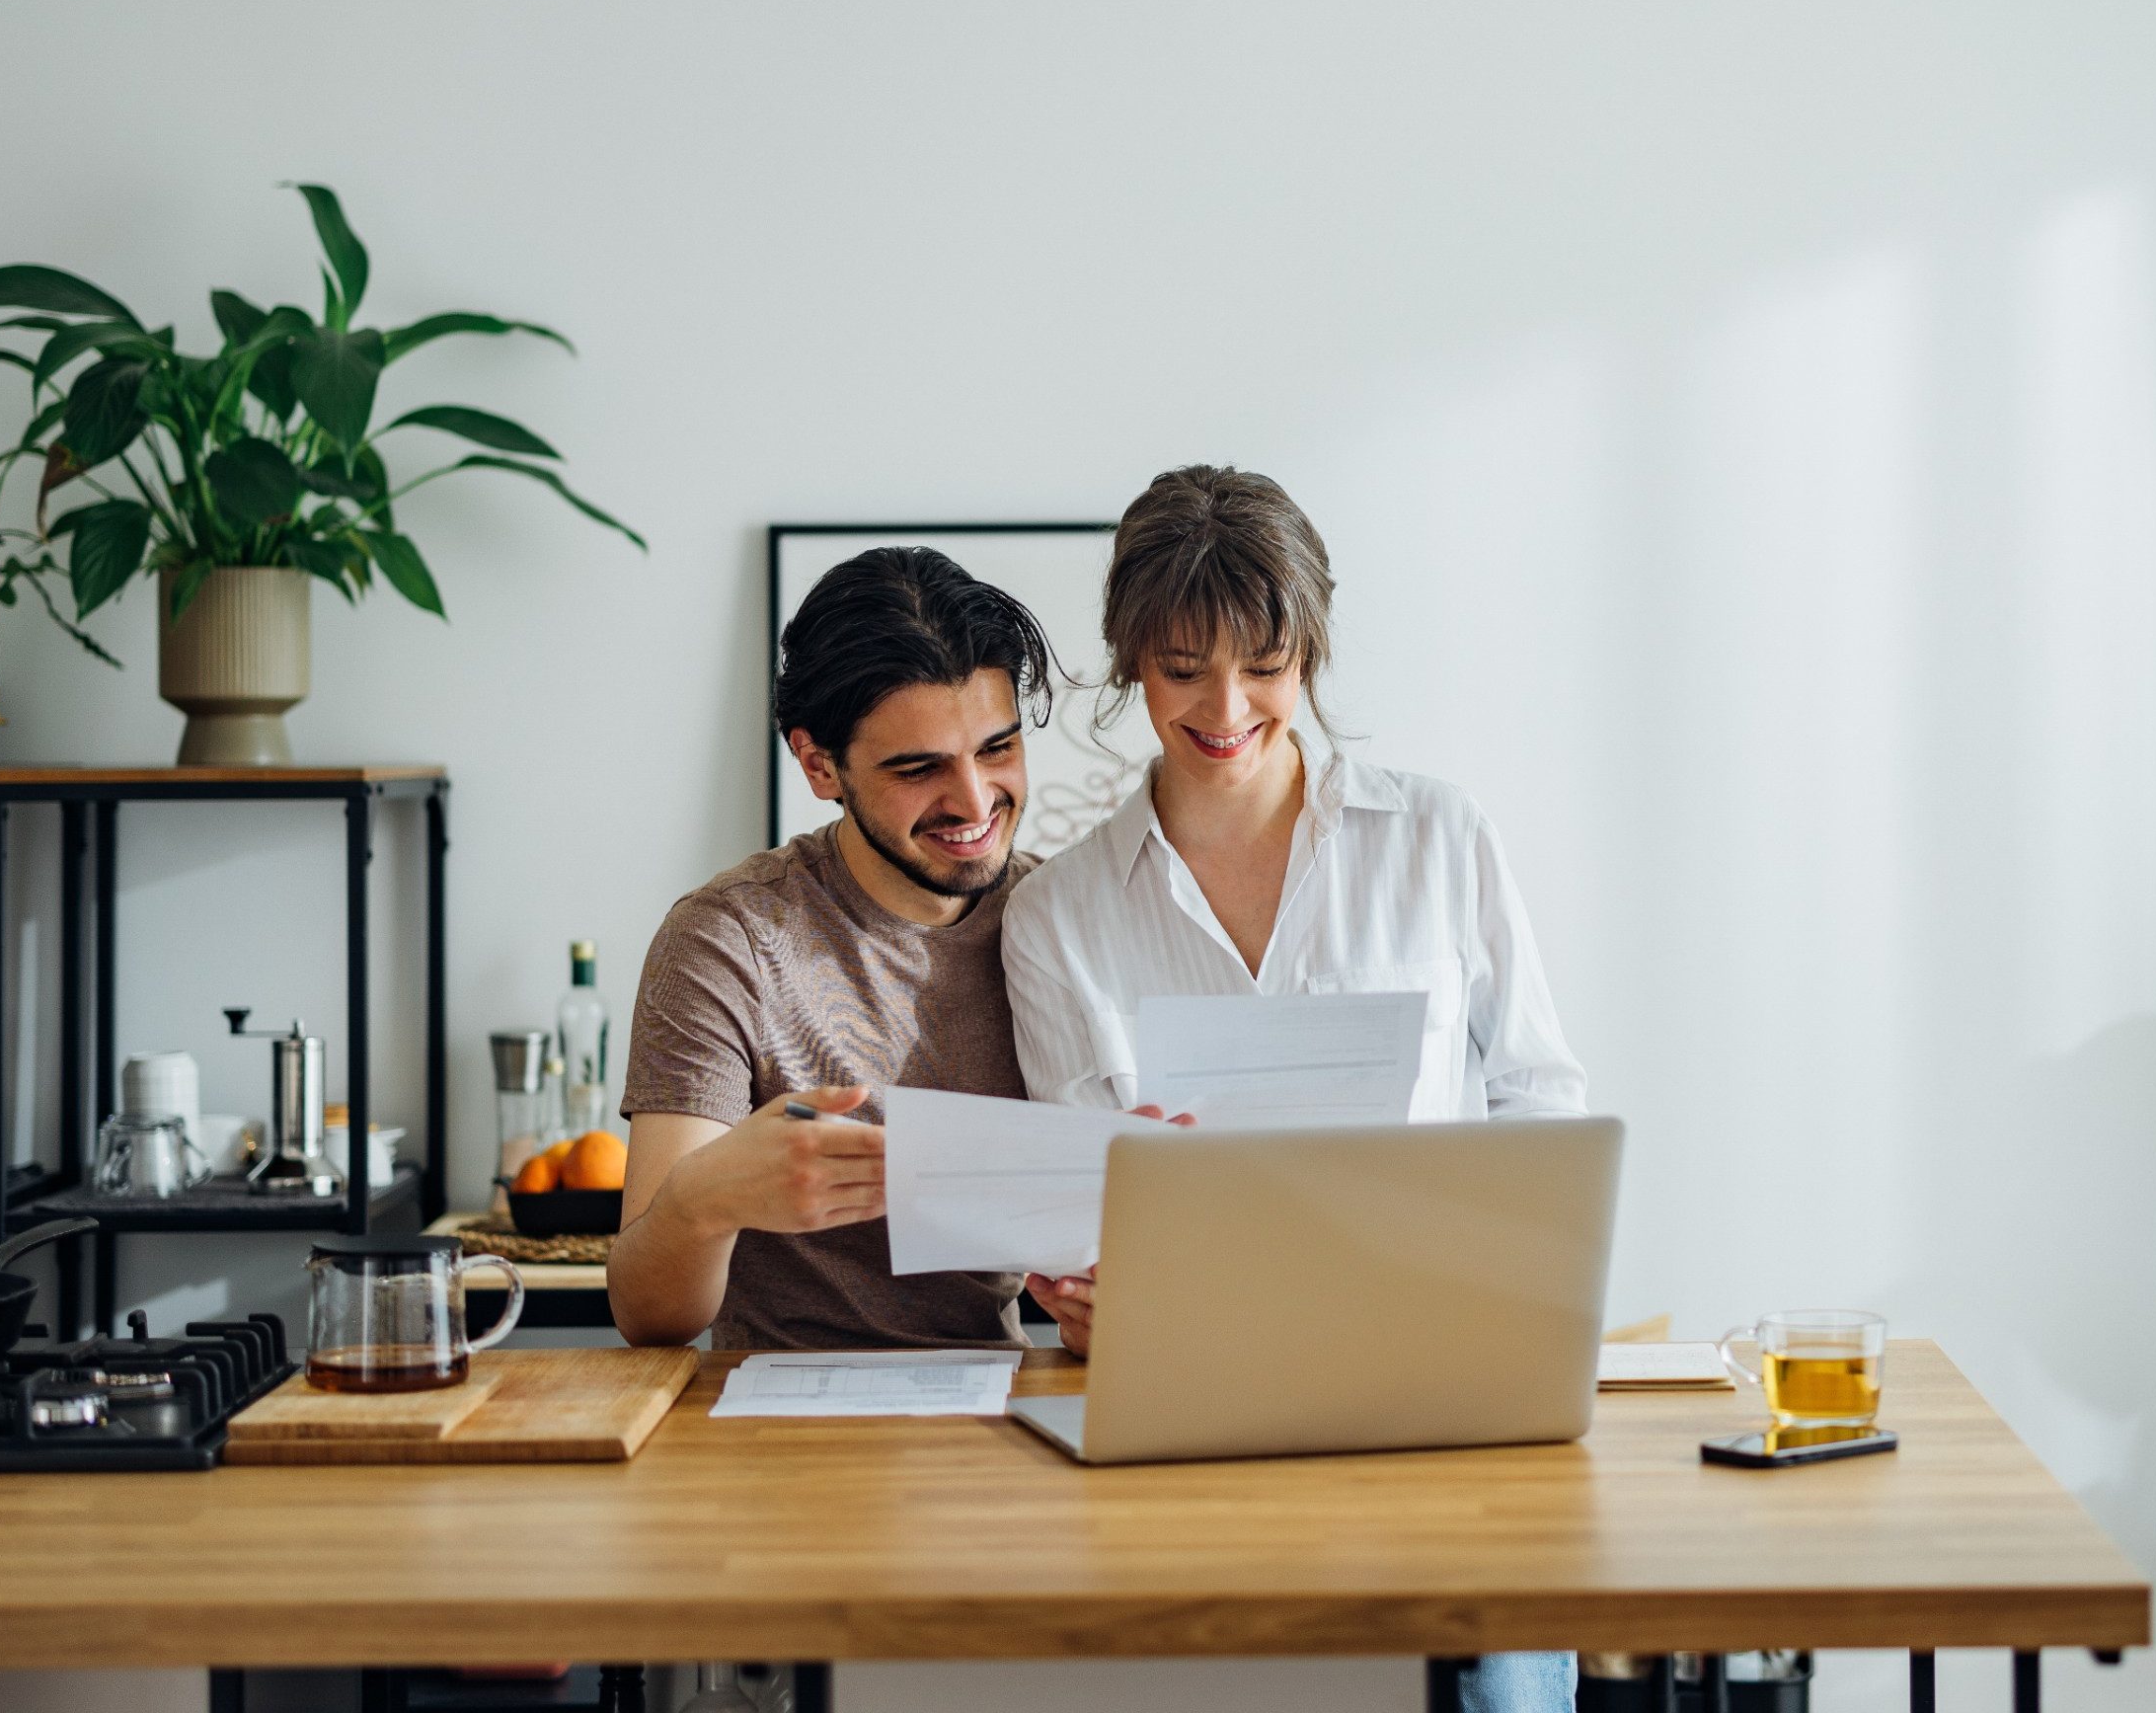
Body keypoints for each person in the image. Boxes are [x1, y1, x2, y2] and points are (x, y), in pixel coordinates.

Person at [1001, 465, 1591, 1713]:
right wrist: (1074, 1291)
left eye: (1265, 665)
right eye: (1180, 670)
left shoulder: (1438, 838)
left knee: (1489, 1692)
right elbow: (1076, 1198)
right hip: (1188, 1423)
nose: (1226, 709)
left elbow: (1542, 1103)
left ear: (1311, 652)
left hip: (1442, 1400)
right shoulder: (1057, 915)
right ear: (1128, 667)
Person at [607, 545, 1059, 1351]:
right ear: (819, 765)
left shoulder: (1061, 918)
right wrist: (707, 1200)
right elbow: (649, 1316)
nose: (973, 799)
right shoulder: (727, 941)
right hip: (778, 1428)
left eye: (997, 748)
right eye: (919, 768)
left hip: (1001, 1415)